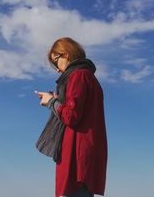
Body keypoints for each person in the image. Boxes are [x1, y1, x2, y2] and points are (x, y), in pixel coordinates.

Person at [36, 37, 108, 197]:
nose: (57, 69)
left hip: (76, 158)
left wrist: (51, 102)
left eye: (56, 61)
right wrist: (58, 100)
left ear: (66, 54)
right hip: (85, 157)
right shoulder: (89, 77)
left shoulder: (78, 76)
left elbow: (71, 116)